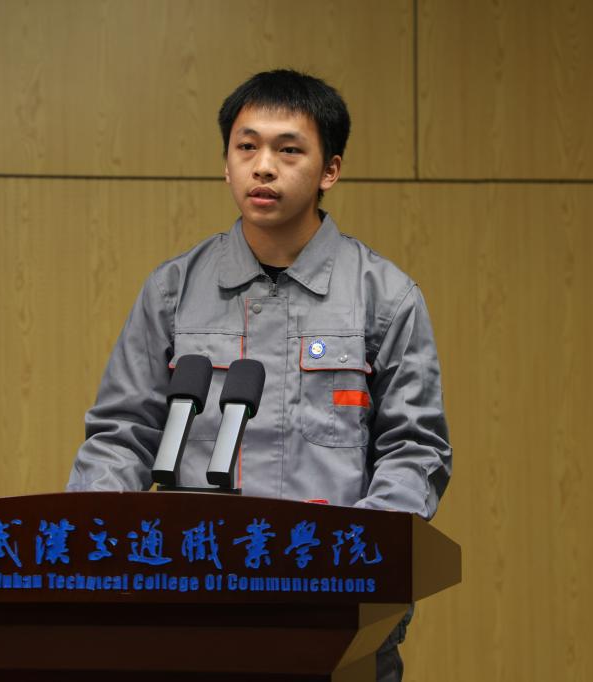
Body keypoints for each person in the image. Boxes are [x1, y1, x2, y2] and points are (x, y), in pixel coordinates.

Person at [67, 69, 452, 681]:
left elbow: (414, 449)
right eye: (246, 147)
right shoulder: (173, 291)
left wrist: (361, 558)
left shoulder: (385, 296)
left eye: (288, 150)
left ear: (330, 170)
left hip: (336, 611)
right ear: (226, 164)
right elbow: (121, 435)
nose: (263, 167)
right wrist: (86, 547)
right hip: (194, 606)